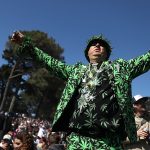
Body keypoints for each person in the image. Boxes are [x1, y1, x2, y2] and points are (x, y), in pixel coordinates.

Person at [10, 31, 150, 150]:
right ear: (87, 53)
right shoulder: (76, 72)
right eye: (93, 44)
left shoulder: (121, 69)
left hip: (109, 142)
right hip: (78, 140)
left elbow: (145, 60)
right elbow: (49, 62)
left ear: (106, 53)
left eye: (101, 45)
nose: (97, 45)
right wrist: (26, 43)